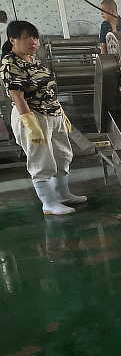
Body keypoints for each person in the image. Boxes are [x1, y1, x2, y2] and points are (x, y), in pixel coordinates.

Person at [1, 20, 86, 215]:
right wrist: (31, 125)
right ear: (13, 40)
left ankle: (62, 195)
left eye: (34, 37)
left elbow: (48, 90)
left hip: (53, 114)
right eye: (27, 38)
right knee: (42, 161)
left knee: (62, 156)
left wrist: (61, 114)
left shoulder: (34, 61)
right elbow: (18, 97)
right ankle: (48, 203)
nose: (33, 42)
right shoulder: (10, 64)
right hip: (33, 116)